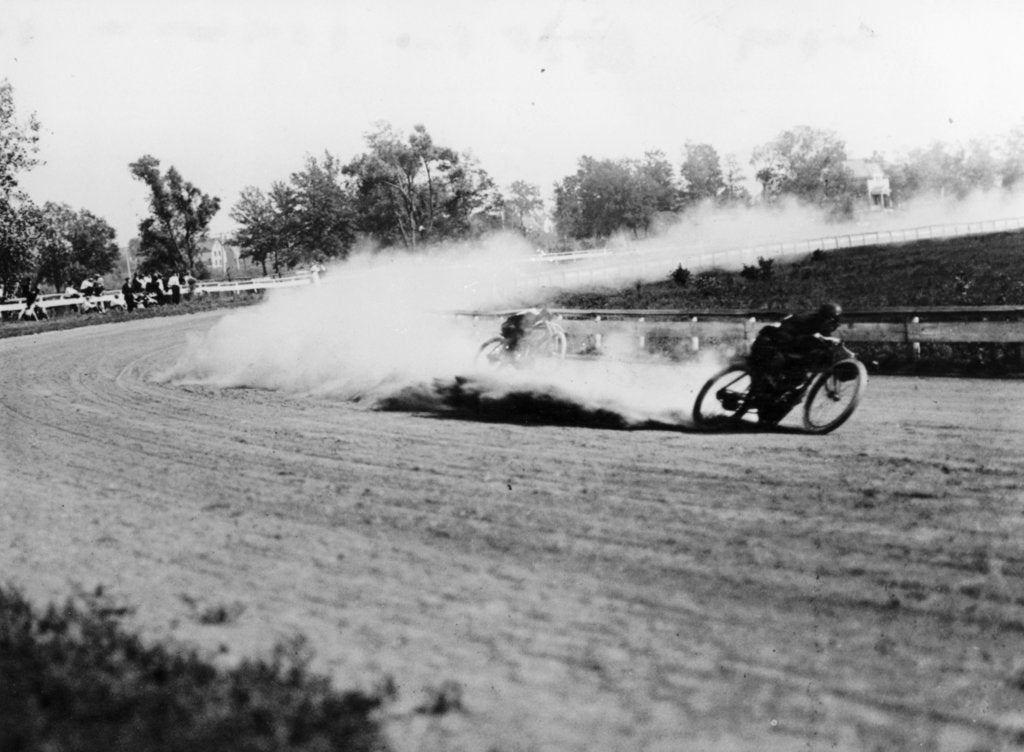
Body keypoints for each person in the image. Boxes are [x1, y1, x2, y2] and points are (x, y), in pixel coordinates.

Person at [749, 302, 843, 391]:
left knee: (798, 377)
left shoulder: (823, 331)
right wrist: (809, 338)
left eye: (835, 322)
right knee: (776, 361)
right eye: (830, 321)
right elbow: (783, 335)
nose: (832, 325)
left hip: (788, 349)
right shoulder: (802, 320)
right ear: (822, 318)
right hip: (770, 343)